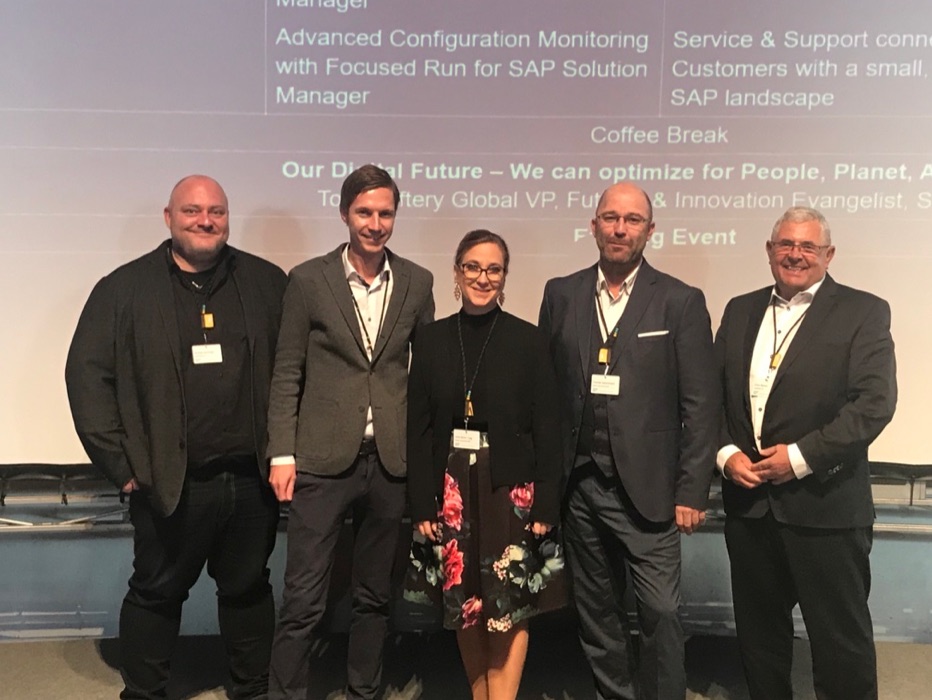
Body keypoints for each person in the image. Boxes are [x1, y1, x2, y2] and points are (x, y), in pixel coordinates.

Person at [65, 175, 286, 700]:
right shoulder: (123, 288)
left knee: (248, 590)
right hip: (170, 482)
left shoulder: (266, 282)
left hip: (249, 479)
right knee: (156, 593)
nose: (205, 221)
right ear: (169, 218)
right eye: (192, 211)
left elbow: (295, 372)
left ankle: (253, 690)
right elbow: (86, 378)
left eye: (216, 212)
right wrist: (122, 467)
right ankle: (144, 693)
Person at [538, 182, 719, 700]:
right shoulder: (561, 293)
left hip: (652, 489)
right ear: (593, 225)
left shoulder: (680, 301)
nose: (620, 229)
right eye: (611, 218)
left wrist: (692, 489)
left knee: (660, 611)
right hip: (579, 486)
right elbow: (545, 393)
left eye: (633, 219)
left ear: (650, 230)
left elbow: (700, 404)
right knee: (597, 612)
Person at [266, 164, 435, 700]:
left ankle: (365, 690)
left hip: (389, 461)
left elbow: (426, 378)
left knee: (374, 596)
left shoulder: (417, 282)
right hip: (320, 460)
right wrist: (281, 452)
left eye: (385, 213)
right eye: (364, 212)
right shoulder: (307, 280)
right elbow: (287, 370)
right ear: (344, 214)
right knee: (303, 598)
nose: (375, 223)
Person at [715, 206, 897, 700]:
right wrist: (725, 453)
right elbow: (710, 397)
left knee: (841, 646)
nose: (795, 254)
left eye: (808, 246)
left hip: (826, 507)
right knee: (760, 642)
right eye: (786, 244)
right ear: (769, 250)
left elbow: (874, 405)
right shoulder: (740, 309)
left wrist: (798, 458)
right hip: (750, 507)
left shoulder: (863, 311)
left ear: (828, 255)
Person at [405, 230, 565, 699]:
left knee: (509, 605)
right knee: (465, 605)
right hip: (451, 491)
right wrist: (422, 503)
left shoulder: (529, 340)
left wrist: (547, 504)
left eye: (494, 269)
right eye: (472, 267)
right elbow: (419, 430)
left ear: (505, 276)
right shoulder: (431, 340)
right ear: (456, 272)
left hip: (510, 490)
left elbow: (548, 428)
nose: (482, 278)